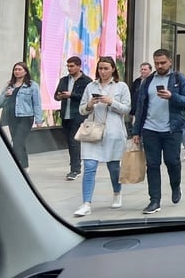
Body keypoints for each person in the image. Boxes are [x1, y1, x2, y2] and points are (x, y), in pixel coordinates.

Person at [132, 49, 185, 215]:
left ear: (170, 62)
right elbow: (140, 108)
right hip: (150, 129)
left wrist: (172, 96)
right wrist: (136, 131)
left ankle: (175, 186)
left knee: (172, 162)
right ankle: (154, 200)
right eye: (157, 63)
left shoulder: (179, 79)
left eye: (163, 63)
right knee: (152, 165)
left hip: (172, 129)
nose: (159, 66)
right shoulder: (148, 81)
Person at [73, 56, 131, 217]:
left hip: (113, 133)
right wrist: (90, 104)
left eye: (106, 68)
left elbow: (127, 109)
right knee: (89, 167)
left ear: (113, 69)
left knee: (113, 167)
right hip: (92, 132)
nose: (103, 71)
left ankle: (117, 192)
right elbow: (82, 110)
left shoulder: (121, 86)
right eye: (100, 68)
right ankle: (86, 203)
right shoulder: (90, 86)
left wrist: (111, 102)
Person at [54, 56, 93, 180]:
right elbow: (56, 95)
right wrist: (60, 96)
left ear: (79, 66)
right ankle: (75, 166)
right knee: (70, 142)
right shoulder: (64, 80)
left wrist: (72, 95)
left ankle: (75, 169)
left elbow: (87, 98)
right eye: (68, 66)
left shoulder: (86, 81)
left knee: (73, 141)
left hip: (79, 115)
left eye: (72, 66)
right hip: (66, 114)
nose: (69, 68)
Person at [3, 62, 45, 170]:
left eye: (19, 69)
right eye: (15, 69)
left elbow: (37, 103)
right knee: (19, 142)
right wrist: (6, 95)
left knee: (17, 142)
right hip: (11, 117)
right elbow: (0, 102)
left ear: (25, 71)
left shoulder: (32, 85)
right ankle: (25, 165)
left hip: (26, 117)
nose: (17, 71)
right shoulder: (9, 85)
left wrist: (39, 120)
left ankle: (18, 167)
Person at [128, 62, 152, 131]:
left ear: (150, 70)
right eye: (142, 69)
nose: (143, 71)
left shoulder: (152, 82)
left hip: (147, 112)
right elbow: (132, 95)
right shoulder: (137, 81)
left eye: (145, 69)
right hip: (137, 110)